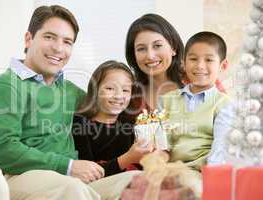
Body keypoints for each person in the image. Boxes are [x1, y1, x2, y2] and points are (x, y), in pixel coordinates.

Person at [0, 5, 139, 200]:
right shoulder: (5, 87)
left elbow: (107, 106)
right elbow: (1, 150)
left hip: (76, 178)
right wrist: (68, 166)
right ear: (29, 39)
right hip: (23, 176)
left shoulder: (69, 90)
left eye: (67, 41)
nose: (58, 48)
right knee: (72, 190)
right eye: (49, 37)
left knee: (141, 181)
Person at [158, 31, 235, 195]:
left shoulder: (224, 104)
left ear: (223, 66)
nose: (200, 65)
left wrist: (213, 180)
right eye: (193, 59)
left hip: (200, 173)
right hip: (167, 169)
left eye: (209, 60)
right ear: (183, 63)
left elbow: (220, 146)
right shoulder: (166, 100)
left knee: (188, 191)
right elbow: (162, 143)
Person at [72, 60, 153, 177]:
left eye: (125, 90)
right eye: (110, 89)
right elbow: (87, 172)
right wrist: (127, 158)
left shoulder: (129, 125)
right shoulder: (80, 124)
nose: (118, 96)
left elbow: (139, 165)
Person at [123, 13, 184, 123]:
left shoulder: (197, 83)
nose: (150, 56)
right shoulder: (129, 96)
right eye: (141, 49)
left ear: (173, 48)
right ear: (134, 55)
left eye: (157, 46)